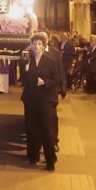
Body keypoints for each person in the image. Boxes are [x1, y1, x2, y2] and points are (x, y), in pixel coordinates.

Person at [21, 33, 63, 171]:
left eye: (39, 44)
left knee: (47, 129)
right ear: (31, 46)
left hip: (46, 99)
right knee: (31, 128)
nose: (36, 47)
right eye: (34, 44)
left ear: (44, 45)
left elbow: (56, 79)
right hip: (31, 99)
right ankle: (33, 156)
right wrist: (26, 68)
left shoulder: (50, 60)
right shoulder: (28, 59)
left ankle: (50, 159)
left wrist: (44, 82)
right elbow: (23, 80)